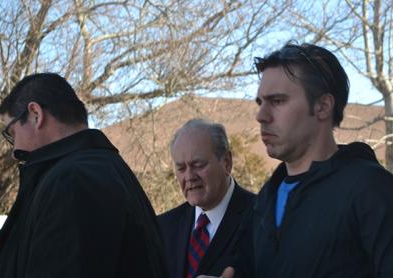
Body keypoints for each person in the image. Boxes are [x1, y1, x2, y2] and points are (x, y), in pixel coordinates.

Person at [226, 43, 393, 278]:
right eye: (260, 102)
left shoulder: (371, 190)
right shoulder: (265, 199)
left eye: (277, 101)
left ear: (323, 106)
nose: (261, 116)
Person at [0, 73, 168, 278]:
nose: (15, 150)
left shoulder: (72, 181)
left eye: (11, 133)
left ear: (35, 114)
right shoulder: (105, 170)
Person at [158, 119, 255, 278]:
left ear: (226, 162)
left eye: (198, 165)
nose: (189, 177)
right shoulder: (163, 228)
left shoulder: (262, 217)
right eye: (181, 168)